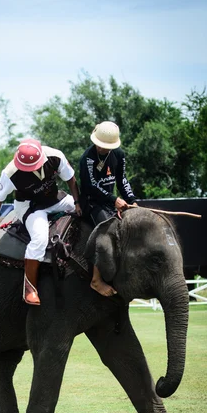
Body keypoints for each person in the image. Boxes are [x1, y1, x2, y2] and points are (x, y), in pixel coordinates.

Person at [0, 138, 82, 306]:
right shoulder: (10, 172)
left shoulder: (55, 156)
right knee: (40, 238)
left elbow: (71, 179)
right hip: (29, 206)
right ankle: (30, 288)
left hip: (55, 199)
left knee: (88, 210)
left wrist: (77, 202)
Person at [79, 121, 138, 297]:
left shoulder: (119, 154)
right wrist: (115, 200)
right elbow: (90, 186)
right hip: (91, 202)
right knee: (108, 227)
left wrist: (132, 200)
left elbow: (122, 180)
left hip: (109, 201)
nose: (101, 148)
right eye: (99, 144)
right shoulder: (87, 158)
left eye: (105, 146)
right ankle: (96, 279)